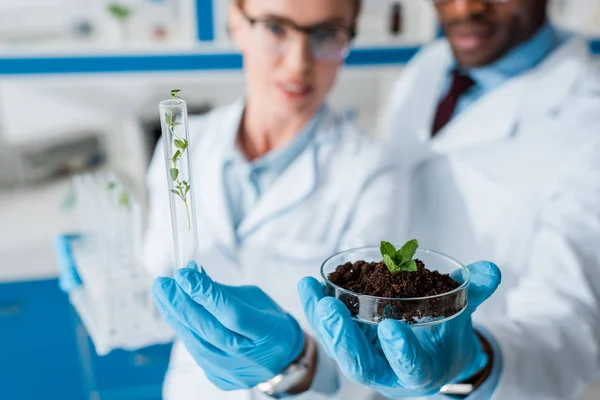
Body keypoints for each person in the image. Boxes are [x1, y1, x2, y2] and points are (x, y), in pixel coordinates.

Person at [55, 0, 412, 399]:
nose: (298, 63)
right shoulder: (183, 148)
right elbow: (168, 304)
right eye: (276, 28)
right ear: (236, 23)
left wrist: (297, 360)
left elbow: (367, 355)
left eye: (326, 34)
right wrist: (110, 294)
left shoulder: (376, 172)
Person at [299, 0, 600, 399]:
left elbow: (571, 329)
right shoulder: (430, 66)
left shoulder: (588, 117)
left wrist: (476, 362)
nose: (462, 8)